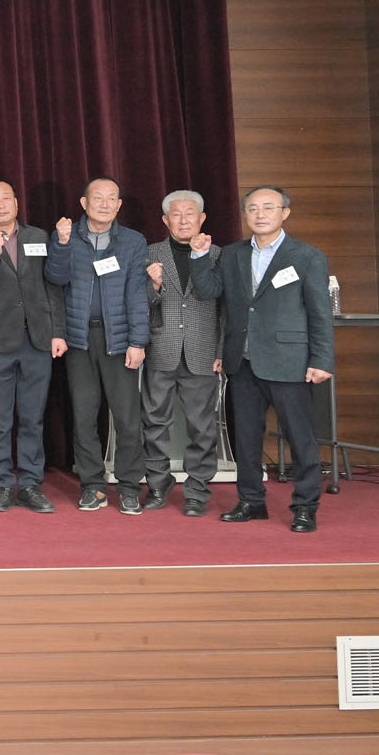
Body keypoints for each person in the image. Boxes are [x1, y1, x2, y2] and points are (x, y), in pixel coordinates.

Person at [198, 186, 334, 533]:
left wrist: (321, 359)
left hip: (290, 361)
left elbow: (320, 314)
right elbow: (213, 296)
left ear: (284, 213)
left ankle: (305, 506)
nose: (260, 214)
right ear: (245, 214)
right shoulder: (232, 254)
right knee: (246, 438)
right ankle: (251, 501)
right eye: (253, 208)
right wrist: (199, 257)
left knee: (300, 437)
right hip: (243, 361)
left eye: (268, 207)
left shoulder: (307, 257)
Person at [44, 177, 153, 513]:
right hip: (79, 340)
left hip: (119, 340)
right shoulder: (66, 236)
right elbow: (54, 281)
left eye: (111, 199)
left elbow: (137, 294)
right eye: (98, 198)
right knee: (84, 416)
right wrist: (62, 243)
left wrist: (138, 341)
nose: (104, 204)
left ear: (119, 205)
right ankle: (92, 486)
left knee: (127, 419)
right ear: (84, 203)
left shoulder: (133, 241)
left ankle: (130, 486)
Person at [0, 178, 64, 513]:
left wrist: (58, 331)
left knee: (33, 417)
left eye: (6, 198)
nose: (0, 205)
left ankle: (31, 484)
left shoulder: (38, 236)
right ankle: (2, 484)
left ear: (16, 203)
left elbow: (53, 286)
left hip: (38, 338)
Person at [143, 189, 223, 517]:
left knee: (202, 427)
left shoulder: (218, 255)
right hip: (160, 349)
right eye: (176, 214)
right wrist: (154, 287)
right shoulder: (150, 253)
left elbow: (227, 310)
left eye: (190, 214)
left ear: (202, 218)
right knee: (154, 422)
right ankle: (157, 485)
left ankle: (197, 491)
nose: (184, 220)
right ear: (165, 220)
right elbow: (137, 304)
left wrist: (221, 350)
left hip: (203, 351)